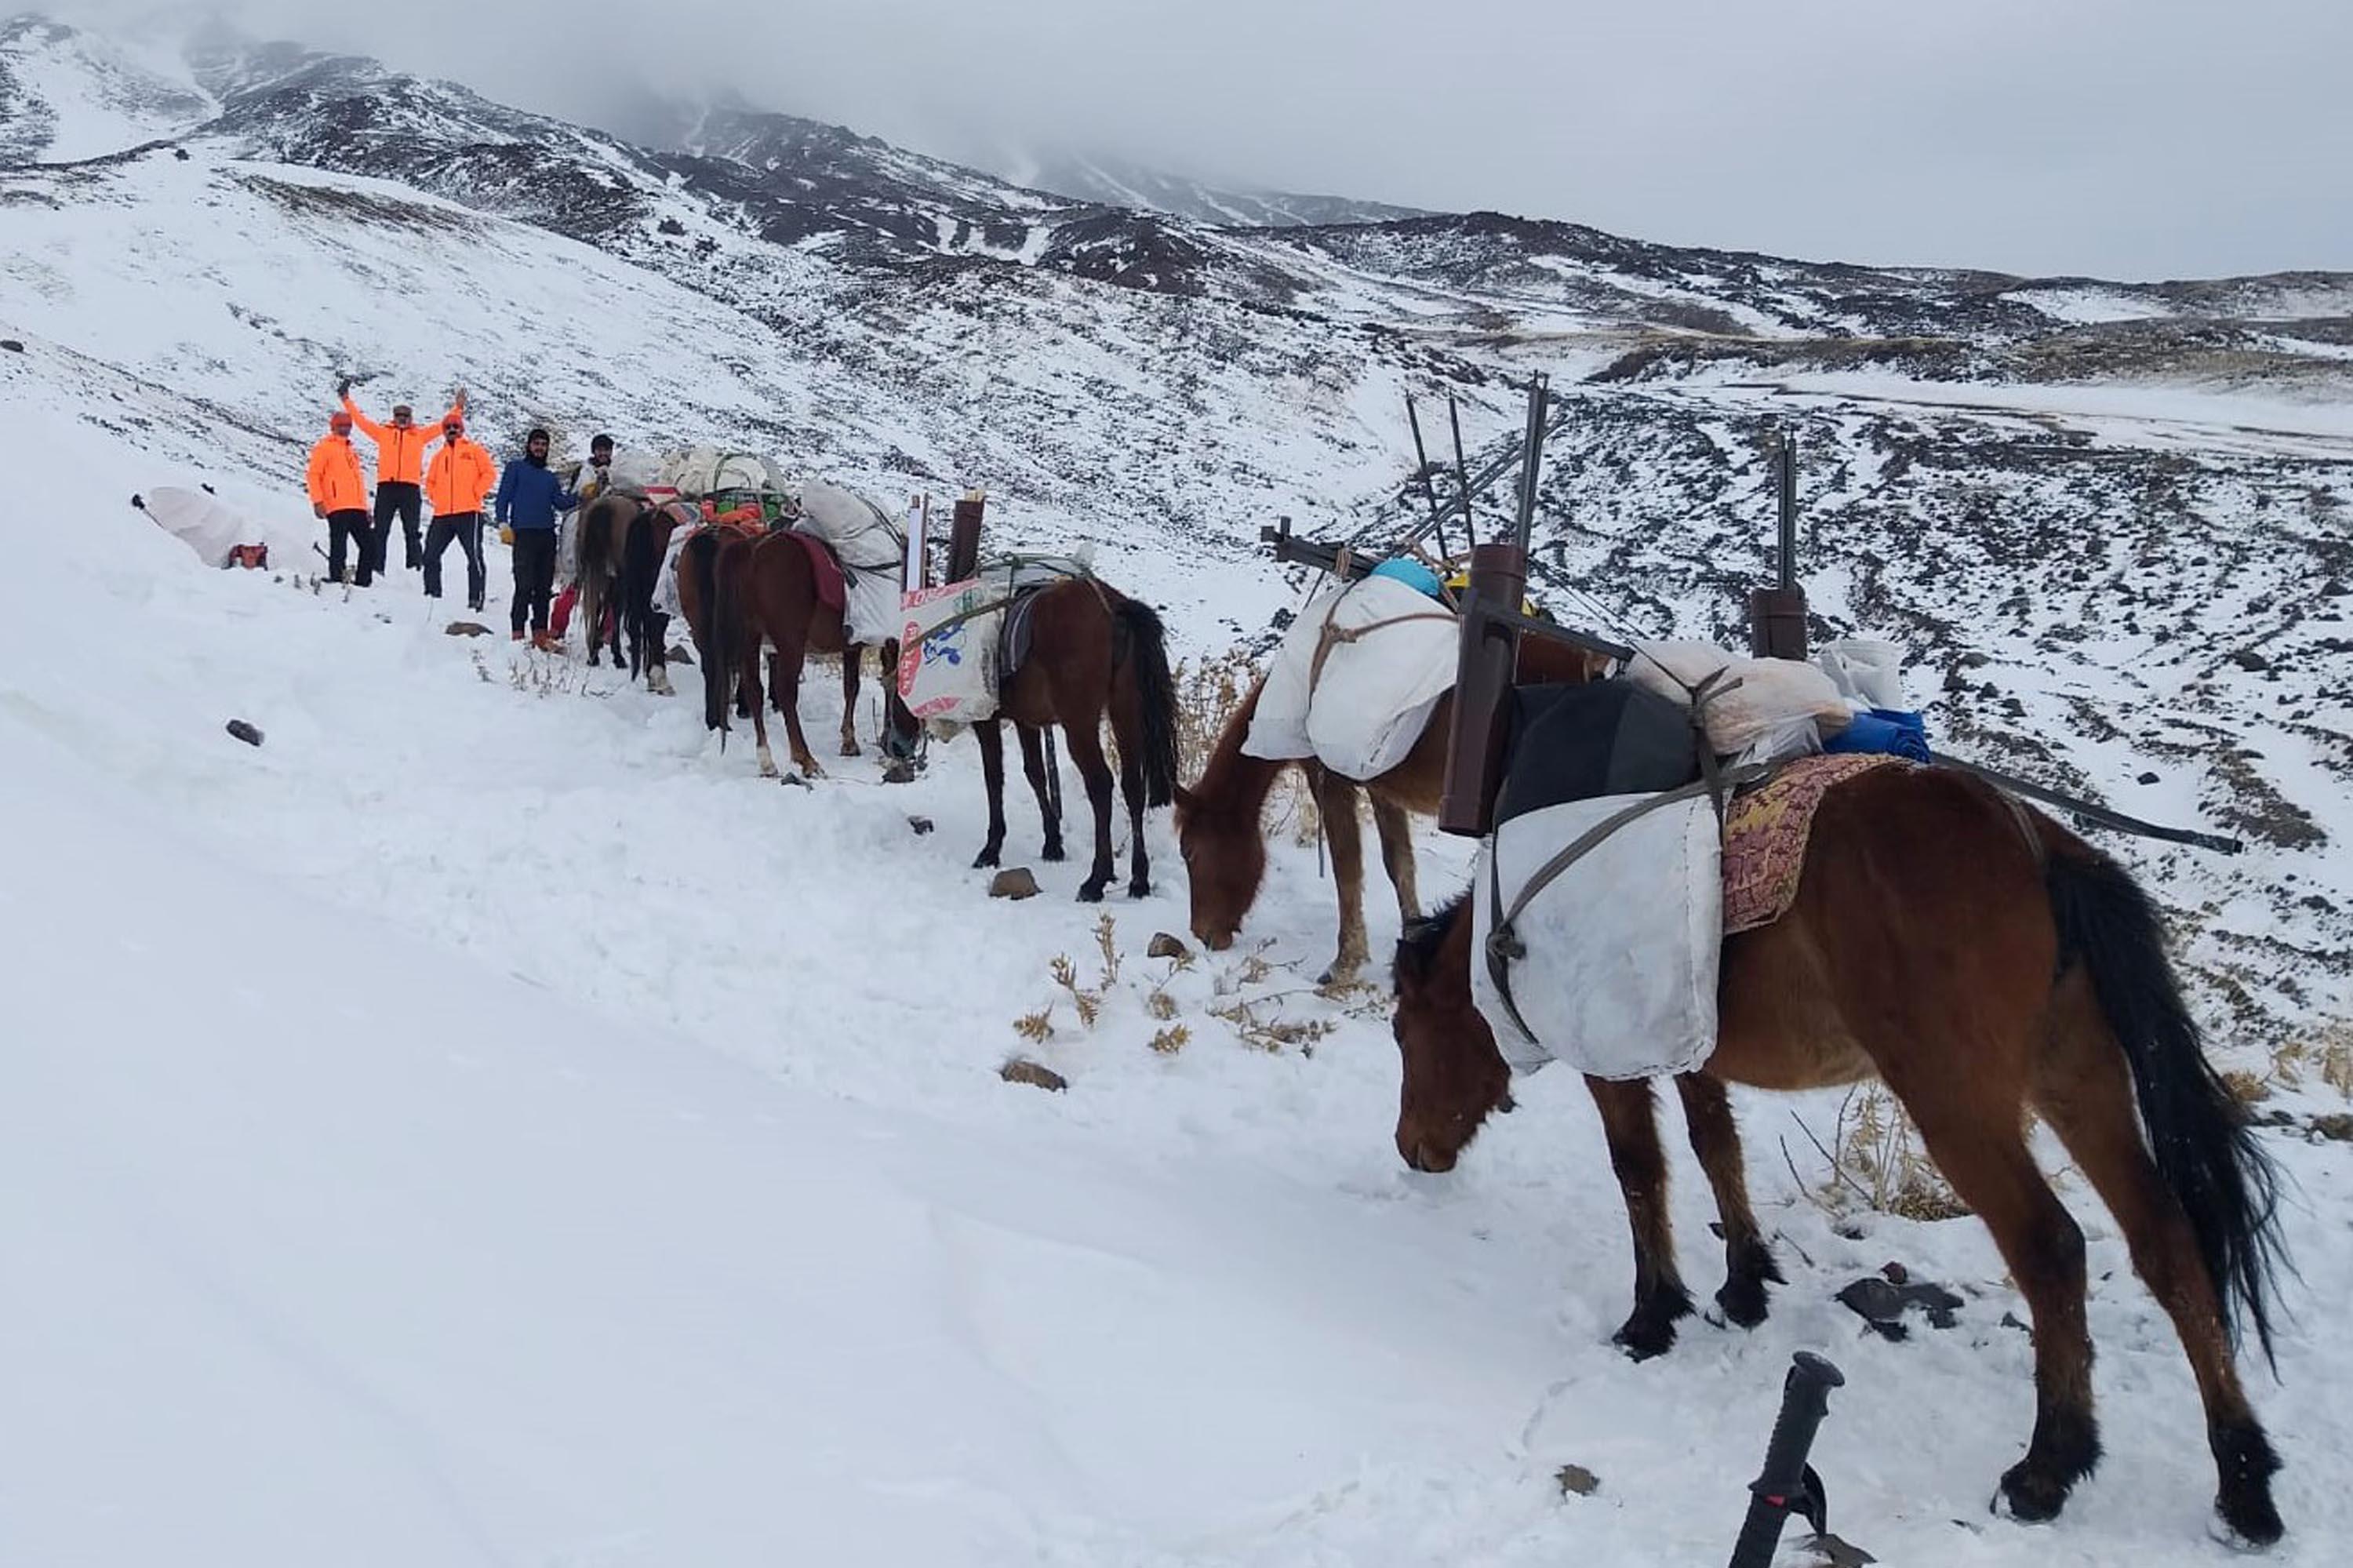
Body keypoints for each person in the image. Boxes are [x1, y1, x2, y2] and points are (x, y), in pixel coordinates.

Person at [341, 380, 464, 574]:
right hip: (387, 487)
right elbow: (360, 421)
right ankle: (376, 567)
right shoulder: (383, 433)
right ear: (394, 417)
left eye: (406, 416)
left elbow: (444, 426)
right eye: (399, 415)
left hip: (410, 488)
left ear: (410, 417)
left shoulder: (419, 435)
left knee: (412, 530)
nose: (402, 418)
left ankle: (414, 566)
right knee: (380, 530)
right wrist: (346, 400)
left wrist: (458, 408)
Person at [495, 427, 579, 649]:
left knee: (543, 587)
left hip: (546, 535)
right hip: (523, 533)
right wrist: (503, 522)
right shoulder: (516, 469)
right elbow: (502, 497)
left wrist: (581, 496)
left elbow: (559, 503)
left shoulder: (549, 477)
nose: (540, 448)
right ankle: (517, 632)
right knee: (524, 585)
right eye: (536, 444)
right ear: (529, 446)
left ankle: (540, 633)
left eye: (543, 444)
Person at [420, 413, 498, 610]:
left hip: (469, 512)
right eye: (448, 427)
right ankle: (432, 596)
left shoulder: (474, 450)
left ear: (461, 429)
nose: (452, 430)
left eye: (455, 426)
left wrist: (476, 492)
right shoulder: (439, 456)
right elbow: (429, 481)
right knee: (430, 555)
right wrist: (435, 497)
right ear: (444, 431)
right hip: (442, 514)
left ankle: (476, 600)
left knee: (474, 557)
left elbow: (489, 473)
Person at [305, 409, 371, 584]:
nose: (345, 428)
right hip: (336, 505)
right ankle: (336, 579)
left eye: (348, 425)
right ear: (333, 426)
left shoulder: (351, 450)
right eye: (341, 425)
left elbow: (358, 482)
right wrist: (318, 501)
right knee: (339, 546)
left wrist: (365, 507)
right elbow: (314, 475)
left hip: (357, 507)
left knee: (370, 545)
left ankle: (364, 582)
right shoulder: (324, 447)